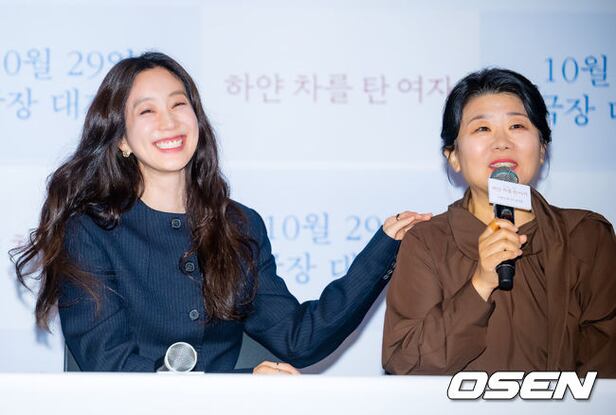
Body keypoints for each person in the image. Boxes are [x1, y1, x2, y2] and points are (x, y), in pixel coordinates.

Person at [11, 52, 431, 374]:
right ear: (121, 139)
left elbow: (299, 339)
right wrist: (243, 384)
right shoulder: (90, 230)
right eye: (147, 111)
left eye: (179, 105)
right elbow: (110, 363)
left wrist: (384, 247)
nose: (169, 122)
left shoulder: (239, 226)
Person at [382, 68, 616, 377]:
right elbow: (404, 362)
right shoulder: (427, 242)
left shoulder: (585, 235)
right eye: (482, 129)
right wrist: (479, 285)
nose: (502, 142)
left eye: (517, 126)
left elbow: (605, 367)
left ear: (542, 148)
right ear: (453, 156)